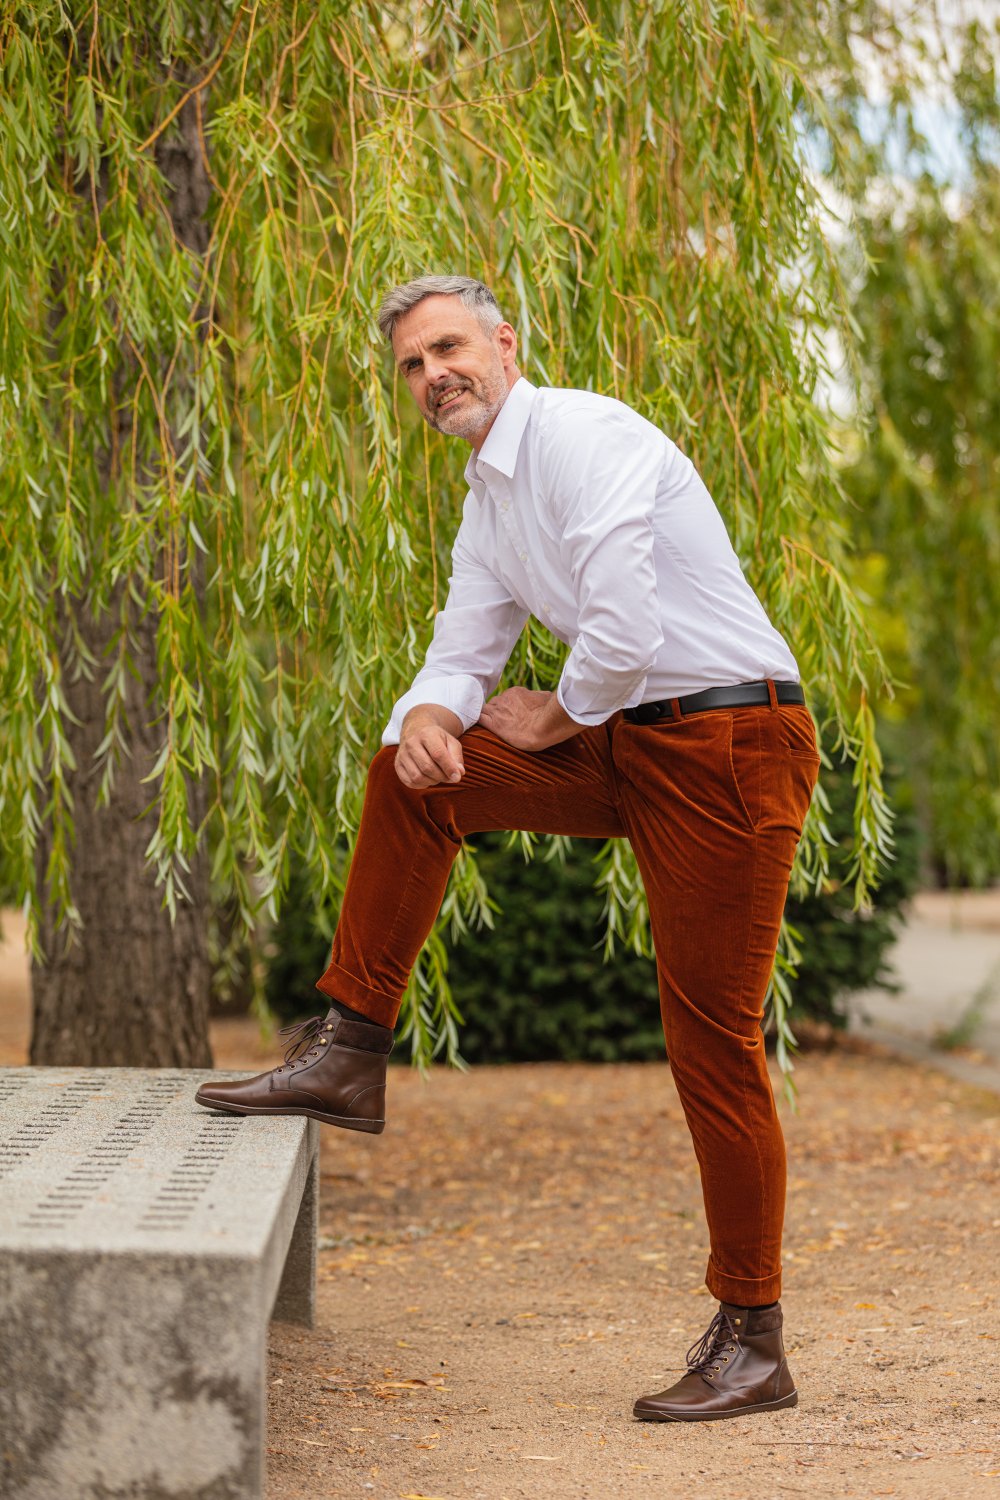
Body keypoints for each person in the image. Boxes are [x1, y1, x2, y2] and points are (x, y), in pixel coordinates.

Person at [196, 273, 821, 1423]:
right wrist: (435, 717)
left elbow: (626, 630)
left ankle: (753, 1336)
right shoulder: (488, 502)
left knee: (711, 1042)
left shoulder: (586, 435)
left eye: (447, 350)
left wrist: (556, 714)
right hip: (633, 736)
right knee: (411, 774)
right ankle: (349, 1045)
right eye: (411, 368)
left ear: (504, 344)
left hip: (731, 740)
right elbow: (462, 644)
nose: (433, 377)